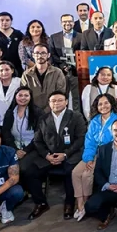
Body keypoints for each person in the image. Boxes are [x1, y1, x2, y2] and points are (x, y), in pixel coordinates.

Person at [22, 91, 86, 220]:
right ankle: (41, 203)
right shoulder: (43, 119)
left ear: (66, 102)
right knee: (29, 172)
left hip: (70, 154)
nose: (56, 103)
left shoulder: (76, 116)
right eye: (53, 101)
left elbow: (81, 139)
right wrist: (46, 155)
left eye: (60, 100)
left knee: (70, 172)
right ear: (49, 103)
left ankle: (69, 203)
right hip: (49, 156)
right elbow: (37, 141)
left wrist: (65, 154)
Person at [72, 93, 117, 221]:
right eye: (100, 104)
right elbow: (89, 141)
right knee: (76, 172)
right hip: (92, 154)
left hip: (107, 155)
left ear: (111, 104)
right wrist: (89, 158)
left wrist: (97, 158)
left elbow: (115, 142)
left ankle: (86, 205)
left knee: (86, 175)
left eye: (106, 103)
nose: (103, 106)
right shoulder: (94, 121)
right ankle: (80, 205)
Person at [20, 43, 67, 114]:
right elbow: (24, 94)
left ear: (48, 55)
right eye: (37, 53)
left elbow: (60, 93)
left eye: (43, 53)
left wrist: (47, 110)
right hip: (32, 113)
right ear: (33, 55)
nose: (40, 56)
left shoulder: (57, 72)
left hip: (54, 111)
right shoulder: (26, 74)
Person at [48, 14, 80, 107]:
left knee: (76, 98)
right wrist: (63, 66)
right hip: (60, 72)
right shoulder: (54, 37)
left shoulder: (81, 36)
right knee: (61, 97)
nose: (67, 23)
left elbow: (82, 54)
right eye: (64, 21)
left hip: (75, 72)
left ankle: (76, 119)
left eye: (70, 21)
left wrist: (72, 65)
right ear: (61, 23)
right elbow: (52, 54)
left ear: (73, 23)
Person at [0, 86, 40, 156]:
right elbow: (6, 132)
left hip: (33, 148)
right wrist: (15, 149)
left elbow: (39, 134)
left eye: (26, 95)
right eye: (20, 95)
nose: (23, 98)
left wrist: (26, 150)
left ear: (30, 97)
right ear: (15, 96)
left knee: (24, 165)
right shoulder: (10, 112)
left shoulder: (37, 112)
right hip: (14, 147)